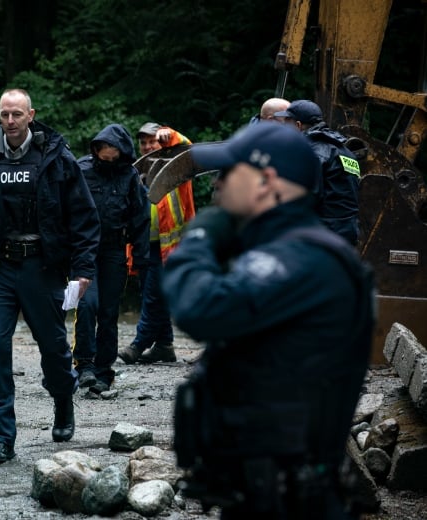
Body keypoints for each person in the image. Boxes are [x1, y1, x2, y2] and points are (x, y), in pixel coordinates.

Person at [165, 122, 374, 518]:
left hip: (290, 501)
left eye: (229, 172)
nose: (218, 186)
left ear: (266, 181)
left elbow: (200, 308)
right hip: (259, 490)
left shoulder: (304, 260)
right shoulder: (283, 250)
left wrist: (200, 236)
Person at [0, 88, 100, 464]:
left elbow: (83, 216)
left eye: (17, 114)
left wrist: (82, 271)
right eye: (4, 115)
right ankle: (0, 437)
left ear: (31, 114)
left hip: (41, 267)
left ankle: (63, 398)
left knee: (54, 349)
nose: (10, 121)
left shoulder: (55, 156)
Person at [73, 123, 149, 394]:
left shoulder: (129, 176)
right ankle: (84, 366)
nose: (107, 152)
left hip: (115, 251)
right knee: (86, 305)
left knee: (108, 313)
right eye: (103, 147)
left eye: (112, 148)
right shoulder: (82, 170)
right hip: (84, 250)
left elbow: (141, 218)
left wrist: (141, 259)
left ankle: (103, 371)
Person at [118, 122, 195, 364]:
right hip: (146, 245)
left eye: (153, 141)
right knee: (151, 294)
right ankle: (164, 345)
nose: (148, 146)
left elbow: (189, 150)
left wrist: (170, 135)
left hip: (171, 247)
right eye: (143, 143)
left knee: (153, 295)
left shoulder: (178, 168)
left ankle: (139, 344)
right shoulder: (138, 173)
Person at [274, 99, 361, 245]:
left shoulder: (311, 154)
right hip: (347, 234)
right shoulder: (345, 152)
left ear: (298, 126)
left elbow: (304, 200)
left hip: (321, 236)